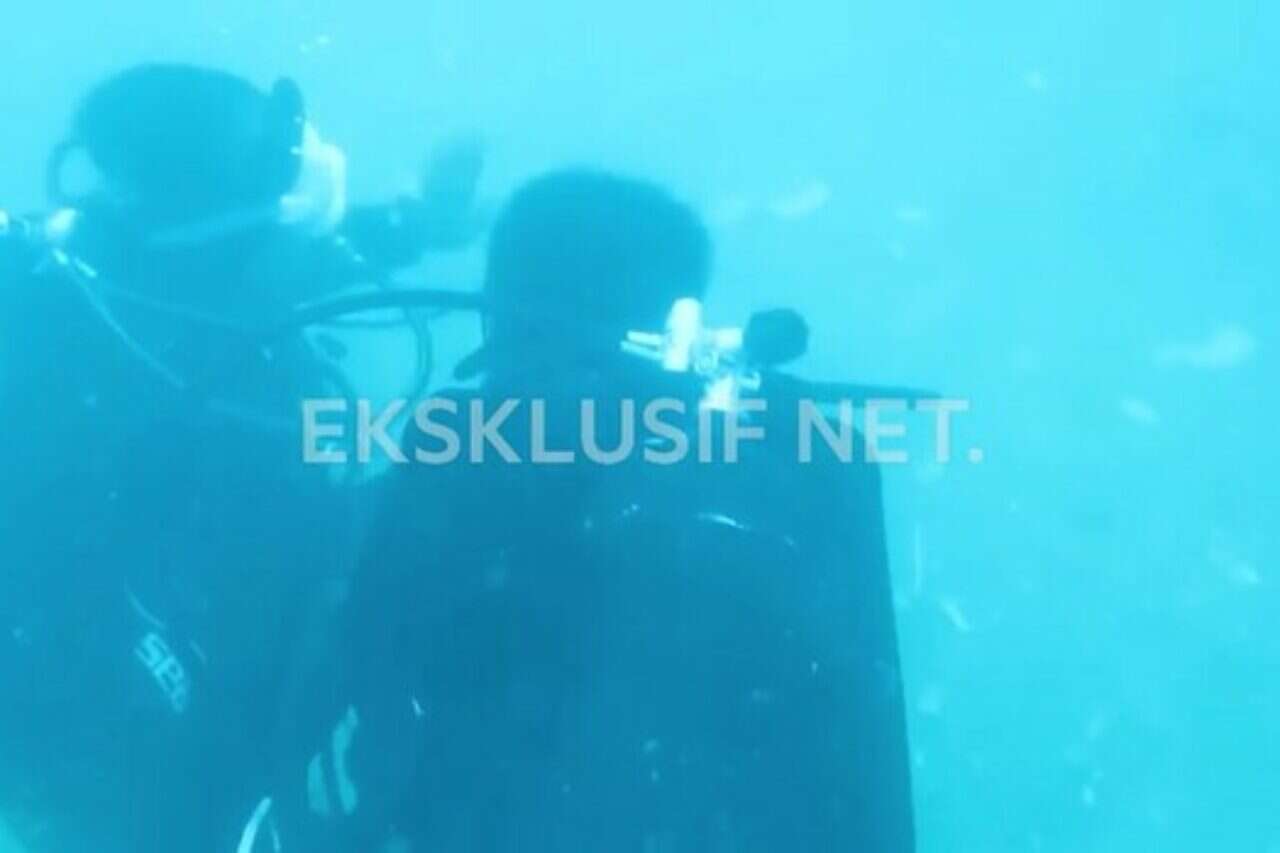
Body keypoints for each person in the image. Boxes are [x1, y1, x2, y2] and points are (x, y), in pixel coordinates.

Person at [259, 168, 916, 851]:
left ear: (496, 310)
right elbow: (865, 757)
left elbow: (297, 727)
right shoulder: (804, 463)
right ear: (682, 315)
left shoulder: (449, 462)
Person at [0, 63, 484, 852]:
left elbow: (236, 257)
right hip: (103, 740)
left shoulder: (88, 262)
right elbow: (298, 550)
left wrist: (409, 225)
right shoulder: (207, 359)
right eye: (280, 156)